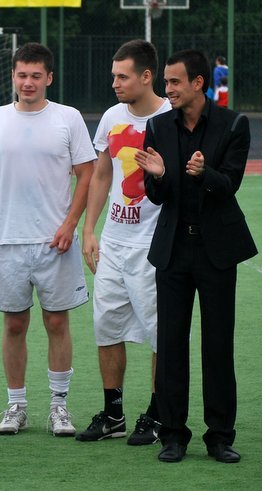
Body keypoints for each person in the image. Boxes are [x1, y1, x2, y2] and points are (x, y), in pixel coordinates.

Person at [134, 49, 257, 464]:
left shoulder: (233, 124)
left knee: (218, 344)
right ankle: (173, 435)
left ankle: (219, 436)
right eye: (166, 82)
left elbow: (230, 185)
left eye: (174, 82)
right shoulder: (157, 126)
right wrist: (159, 177)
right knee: (170, 344)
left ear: (198, 83)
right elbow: (156, 195)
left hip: (216, 250)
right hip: (172, 250)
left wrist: (205, 174)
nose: (166, 89)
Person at [0, 42, 95, 438]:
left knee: (57, 322)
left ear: (49, 78)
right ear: (13, 76)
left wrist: (71, 224)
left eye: (36, 76)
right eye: (22, 75)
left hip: (55, 241)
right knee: (13, 325)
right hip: (7, 240)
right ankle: (17, 405)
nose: (28, 82)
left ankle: (59, 406)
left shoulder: (68, 118)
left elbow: (87, 174)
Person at [78, 39, 170, 445]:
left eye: (123, 76)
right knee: (106, 327)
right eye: (114, 76)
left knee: (160, 332)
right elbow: (102, 174)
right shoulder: (111, 117)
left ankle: (158, 414)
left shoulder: (170, 119)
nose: (115, 83)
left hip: (154, 244)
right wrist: (89, 229)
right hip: (114, 243)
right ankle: (113, 414)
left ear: (146, 76)